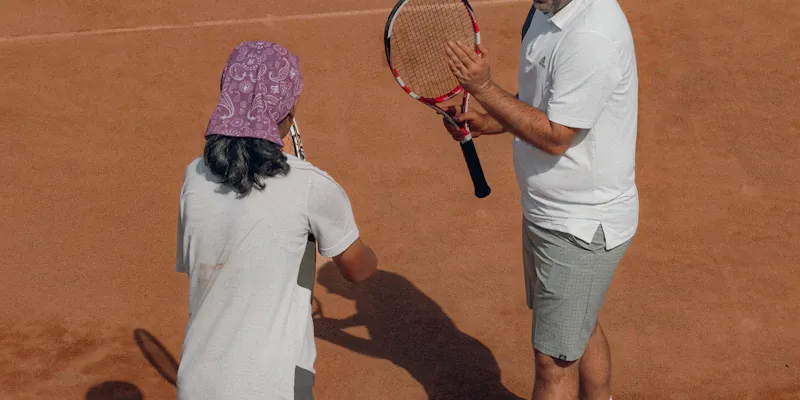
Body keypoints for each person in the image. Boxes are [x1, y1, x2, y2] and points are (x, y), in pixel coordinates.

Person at [442, 0, 639, 399]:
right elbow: (547, 97)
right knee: (579, 328)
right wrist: (491, 120)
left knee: (554, 365)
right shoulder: (546, 9)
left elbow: (556, 135)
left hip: (579, 227)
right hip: (549, 214)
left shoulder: (591, 36)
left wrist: (484, 89)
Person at [174, 40, 378, 400]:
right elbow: (358, 269)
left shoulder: (194, 176)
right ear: (288, 110)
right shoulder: (312, 186)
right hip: (274, 387)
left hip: (196, 384)